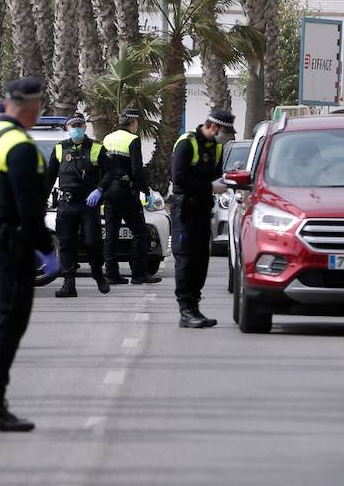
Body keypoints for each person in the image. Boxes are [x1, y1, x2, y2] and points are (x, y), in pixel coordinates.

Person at [0, 79, 57, 432]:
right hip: (11, 240)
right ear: (31, 107)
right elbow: (29, 208)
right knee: (8, 321)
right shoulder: (20, 145)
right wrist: (48, 248)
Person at [171, 108, 235, 328]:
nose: (225, 138)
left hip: (203, 210)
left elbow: (216, 175)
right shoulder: (187, 143)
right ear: (213, 127)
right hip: (185, 210)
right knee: (186, 259)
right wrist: (209, 187)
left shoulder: (216, 148)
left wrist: (227, 181)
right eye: (224, 132)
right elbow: (178, 177)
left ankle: (195, 306)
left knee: (200, 261)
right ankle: (185, 310)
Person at [45, 114, 112, 297]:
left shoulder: (97, 148)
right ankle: (69, 284)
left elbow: (110, 173)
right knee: (66, 244)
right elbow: (50, 176)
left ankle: (98, 274)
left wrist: (99, 190)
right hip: (66, 204)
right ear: (68, 128)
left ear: (85, 127)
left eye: (80, 125)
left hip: (88, 204)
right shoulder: (60, 148)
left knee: (92, 242)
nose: (76, 129)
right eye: (73, 126)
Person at [99, 109, 161, 285]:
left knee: (111, 233)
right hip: (126, 191)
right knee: (140, 232)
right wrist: (145, 190)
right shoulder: (133, 140)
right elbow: (137, 169)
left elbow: (102, 166)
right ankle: (138, 273)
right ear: (133, 123)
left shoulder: (108, 138)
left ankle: (111, 273)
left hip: (109, 189)